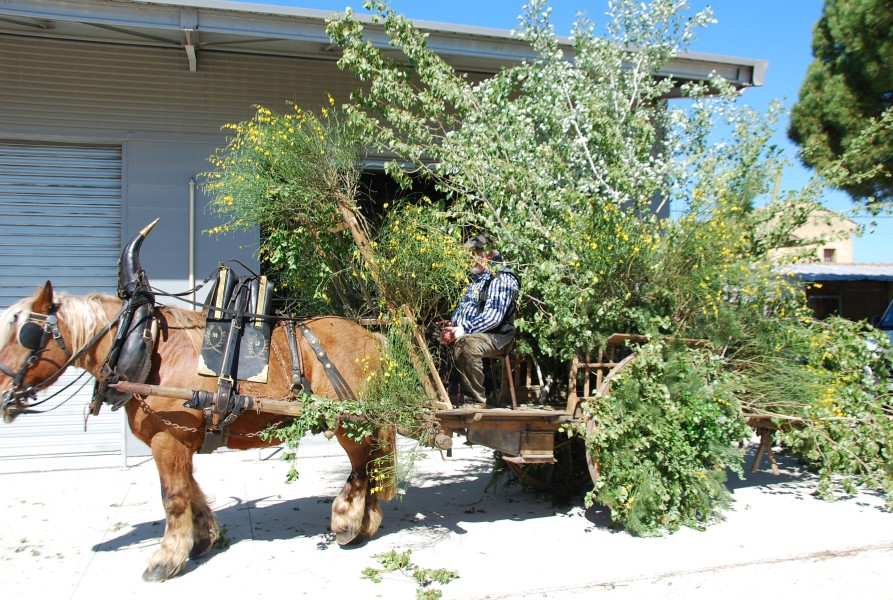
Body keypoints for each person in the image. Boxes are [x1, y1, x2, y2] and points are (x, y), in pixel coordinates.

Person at [441, 234, 520, 408]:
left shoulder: (502, 278)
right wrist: (451, 325)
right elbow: (462, 310)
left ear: (489, 256)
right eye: (468, 255)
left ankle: (475, 400)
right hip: (469, 331)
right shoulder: (471, 280)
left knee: (466, 345)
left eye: (474, 254)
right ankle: (444, 395)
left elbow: (493, 317)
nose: (469, 259)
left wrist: (460, 331)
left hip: (496, 336)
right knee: (432, 335)